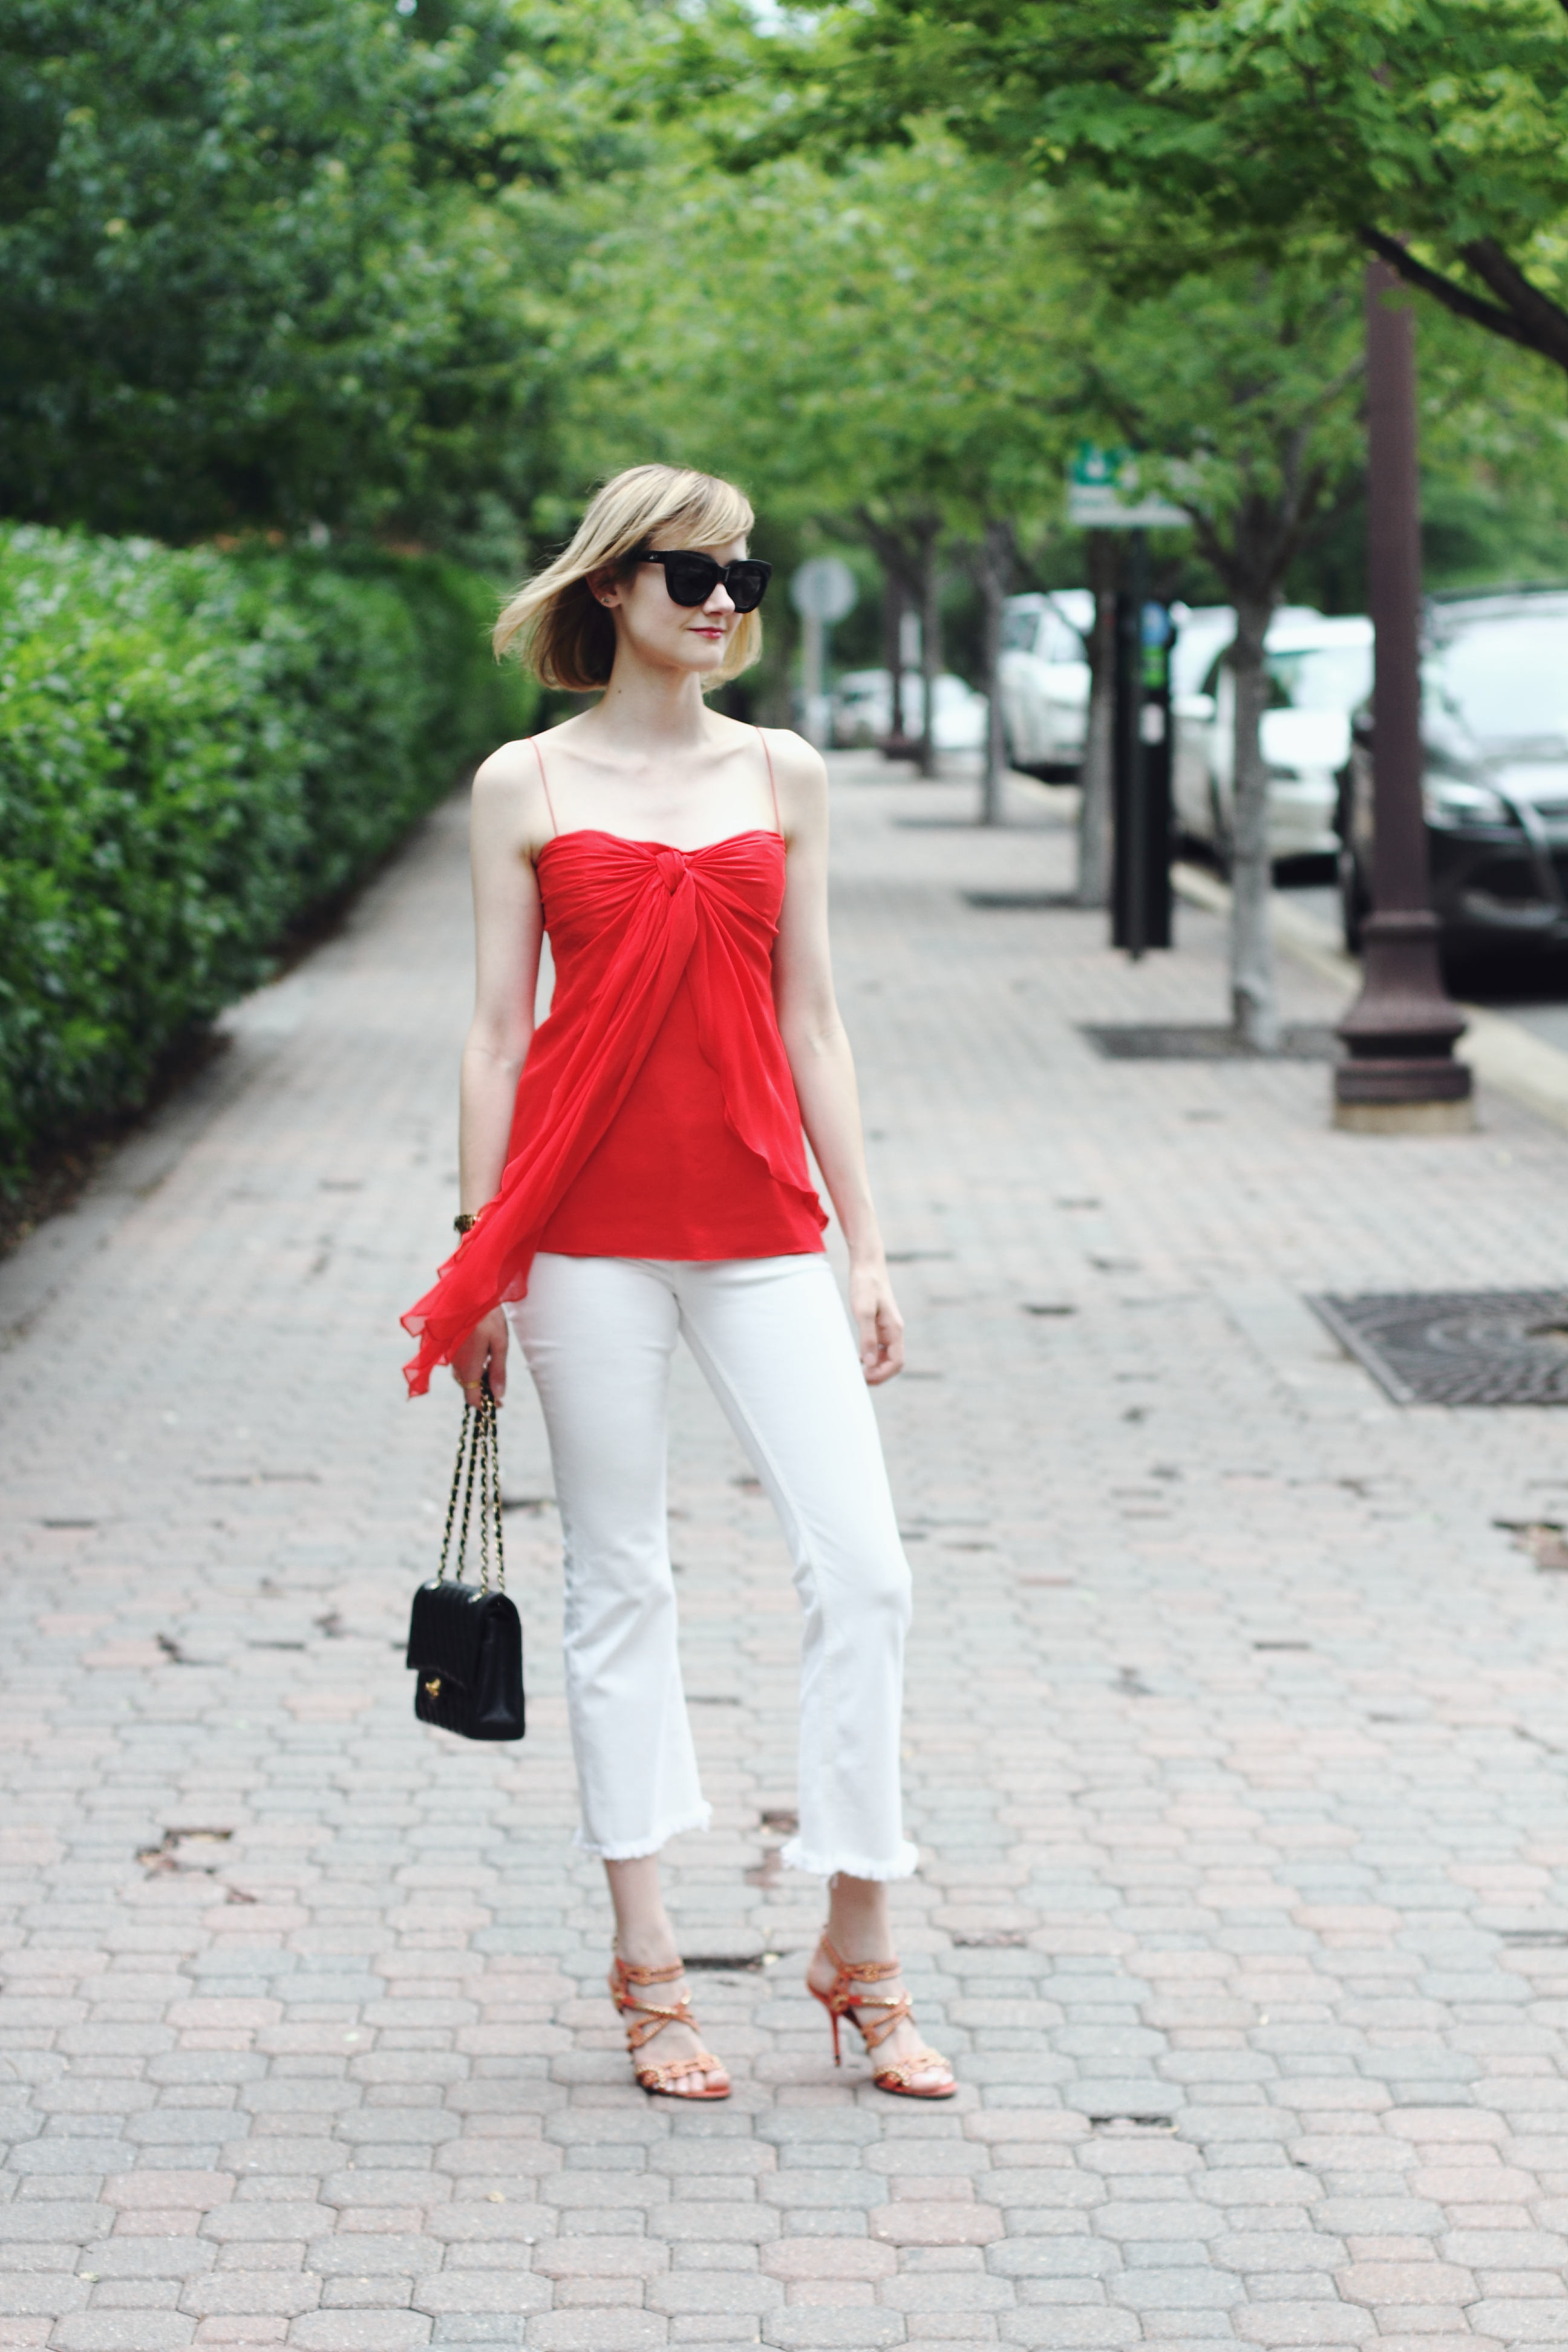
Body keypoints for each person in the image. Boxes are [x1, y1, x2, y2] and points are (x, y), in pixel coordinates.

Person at [402, 464, 953, 2102]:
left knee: (866, 1575)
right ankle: (649, 1968)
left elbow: (816, 1021)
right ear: (612, 586)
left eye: (745, 576)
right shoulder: (526, 783)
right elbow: (497, 1034)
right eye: (691, 573)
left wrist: (869, 1242)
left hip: (767, 1228)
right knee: (619, 1584)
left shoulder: (784, 773)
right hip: (580, 1235)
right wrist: (478, 1257)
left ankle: (860, 1940)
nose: (724, 602)